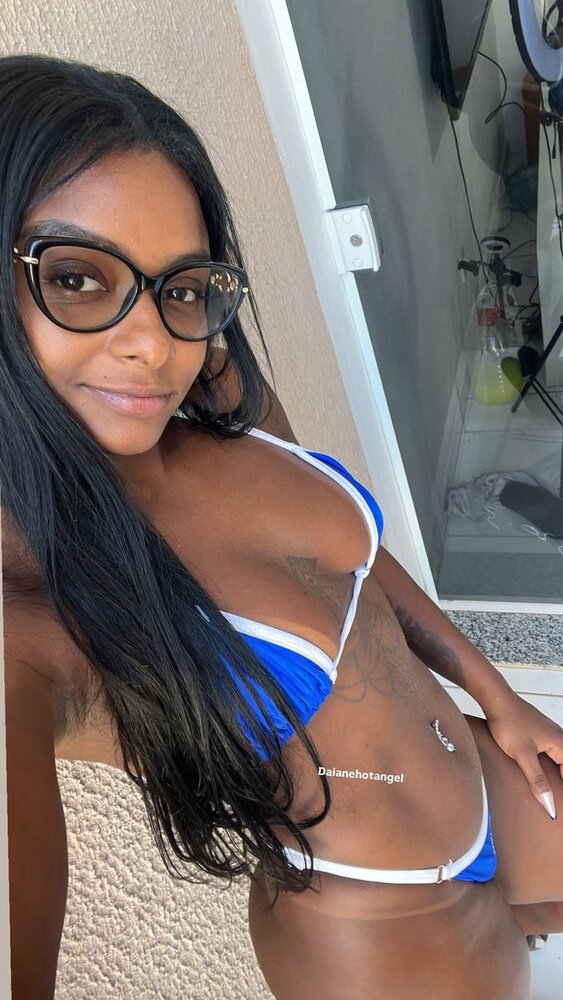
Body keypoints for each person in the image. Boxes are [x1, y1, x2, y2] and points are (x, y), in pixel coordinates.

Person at [1, 54, 562, 1000]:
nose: (152, 344)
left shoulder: (206, 384)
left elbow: (347, 569)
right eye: (76, 278)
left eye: (183, 285)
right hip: (386, 921)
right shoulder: (26, 617)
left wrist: (493, 692)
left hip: (481, 764)